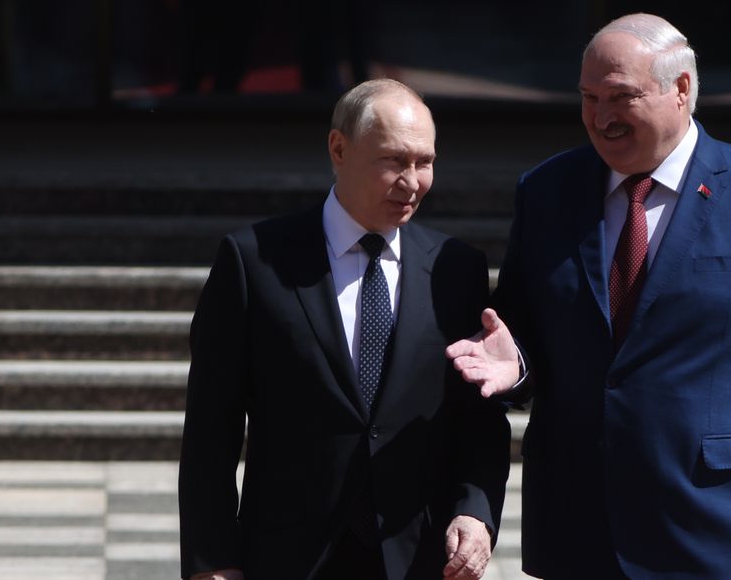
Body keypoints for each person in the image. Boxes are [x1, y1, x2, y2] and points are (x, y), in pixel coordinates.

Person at [446, 13, 731, 579]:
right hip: (581, 525)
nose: (601, 118)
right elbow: (519, 337)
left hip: (722, 524)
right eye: (588, 98)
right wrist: (514, 369)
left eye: (620, 97)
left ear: (681, 89)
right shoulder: (547, 192)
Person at [179, 79, 510, 580]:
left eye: (425, 162)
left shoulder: (455, 269)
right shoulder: (254, 262)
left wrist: (475, 513)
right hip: (289, 557)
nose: (412, 181)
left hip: (417, 558)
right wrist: (213, 562)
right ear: (339, 148)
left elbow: (478, 422)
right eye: (394, 161)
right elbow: (210, 428)